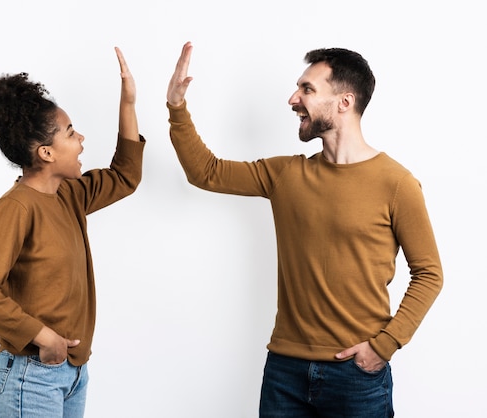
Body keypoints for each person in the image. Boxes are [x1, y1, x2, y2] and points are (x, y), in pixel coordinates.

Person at [166, 42, 443, 418]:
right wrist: (177, 109)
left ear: (344, 102)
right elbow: (207, 172)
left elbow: (429, 273)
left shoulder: (396, 184)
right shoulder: (286, 174)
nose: (293, 98)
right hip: (285, 370)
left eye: (307, 89)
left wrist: (386, 345)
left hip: (357, 375)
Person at [0, 47, 144, 418]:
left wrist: (127, 103)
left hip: (73, 373)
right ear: (46, 153)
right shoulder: (15, 209)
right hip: (33, 376)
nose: (81, 140)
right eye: (71, 133)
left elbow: (126, 176)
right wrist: (43, 337)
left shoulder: (70, 195)